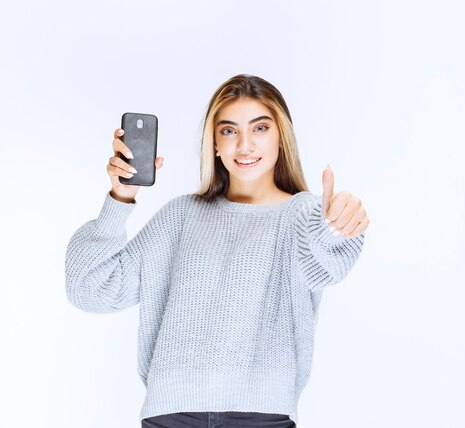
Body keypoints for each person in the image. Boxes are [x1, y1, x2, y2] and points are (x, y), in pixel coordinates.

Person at [65, 74, 369, 428]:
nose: (244, 145)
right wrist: (120, 198)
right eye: (228, 131)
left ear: (281, 138)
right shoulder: (181, 217)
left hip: (261, 417)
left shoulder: (301, 215)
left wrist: (338, 224)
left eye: (259, 128)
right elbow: (90, 290)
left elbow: (326, 257)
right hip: (171, 416)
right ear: (213, 144)